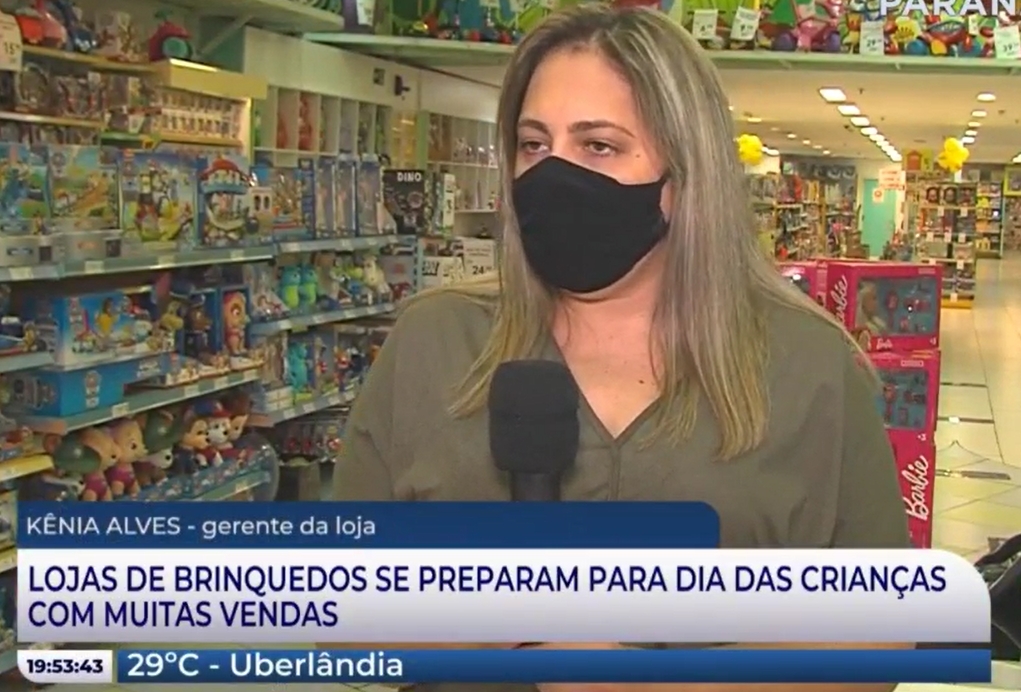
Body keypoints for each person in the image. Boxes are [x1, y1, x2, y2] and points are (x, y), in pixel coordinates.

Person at [332, 5, 909, 692]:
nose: (553, 174)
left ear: (684, 176)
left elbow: (881, 635)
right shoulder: (435, 340)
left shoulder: (810, 366)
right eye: (533, 144)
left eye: (598, 146)